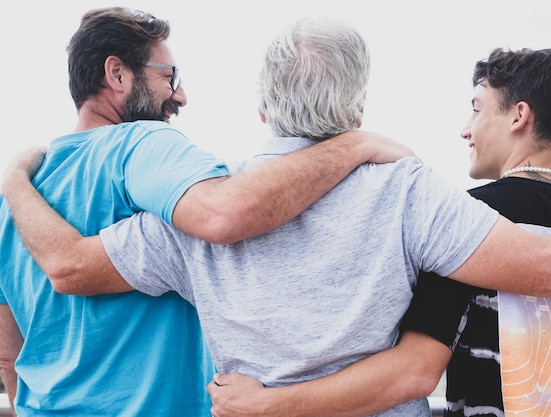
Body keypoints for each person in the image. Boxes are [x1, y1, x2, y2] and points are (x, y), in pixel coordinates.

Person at [4, 19, 551, 417]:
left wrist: (15, 183)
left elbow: (71, 267)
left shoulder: (195, 213)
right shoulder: (406, 190)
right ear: (358, 109)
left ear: (262, 111)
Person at [0, 8, 412, 417]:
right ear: (118, 74)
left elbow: (8, 355)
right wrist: (354, 146)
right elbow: (222, 214)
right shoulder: (142, 143)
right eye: (169, 76)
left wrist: (15, 179)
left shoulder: (15, 203)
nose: (180, 95)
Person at [203, 47, 551, 417]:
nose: (465, 128)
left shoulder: (469, 219)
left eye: (477, 109)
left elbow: (414, 372)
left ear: (519, 116)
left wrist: (263, 405)